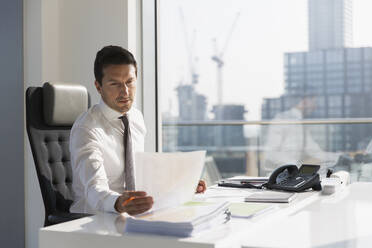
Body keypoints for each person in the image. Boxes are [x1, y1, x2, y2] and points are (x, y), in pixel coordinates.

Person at [70, 45, 206, 215]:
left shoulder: (135, 117)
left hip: (133, 216)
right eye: (115, 84)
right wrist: (120, 203)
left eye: (129, 82)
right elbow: (94, 189)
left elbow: (142, 175)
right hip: (94, 219)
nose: (125, 92)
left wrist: (181, 185)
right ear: (98, 87)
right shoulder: (87, 129)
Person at [262, 96, 341, 176]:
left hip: (293, 173)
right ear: (305, 101)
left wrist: (337, 157)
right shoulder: (282, 119)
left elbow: (314, 150)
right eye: (314, 102)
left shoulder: (301, 122)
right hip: (279, 175)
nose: (315, 107)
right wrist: (297, 165)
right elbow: (271, 153)